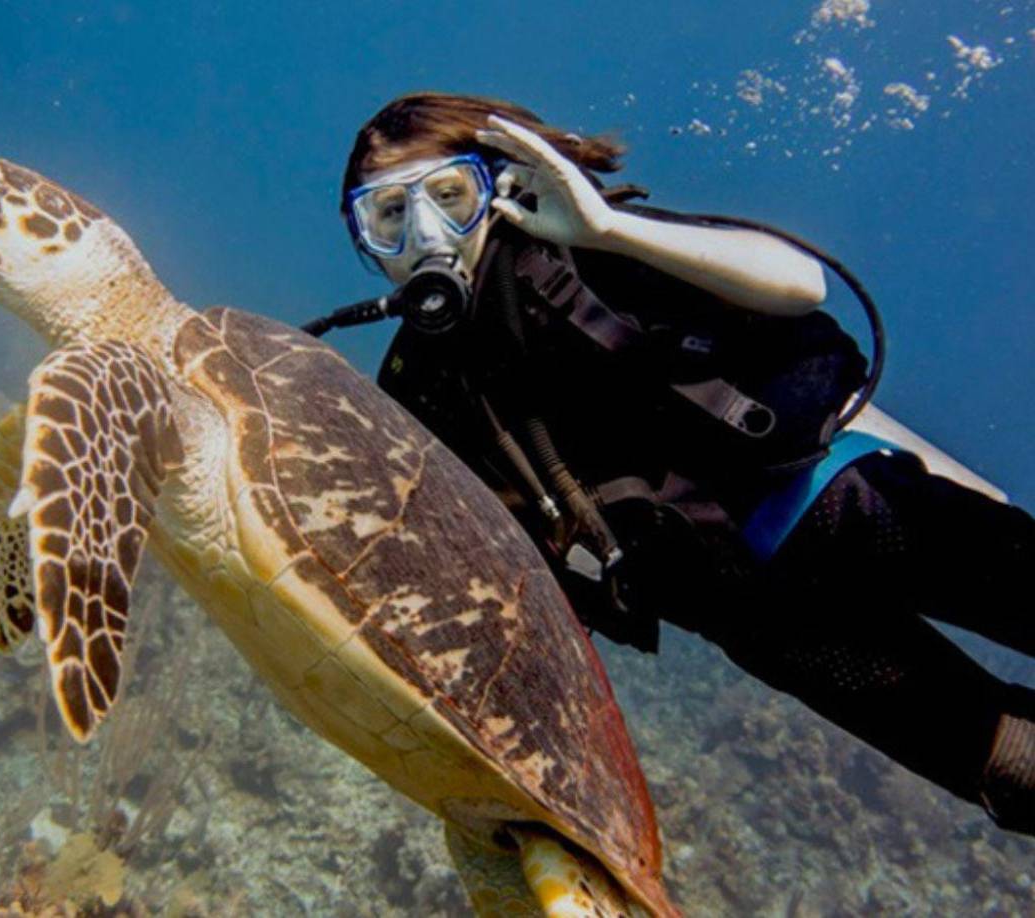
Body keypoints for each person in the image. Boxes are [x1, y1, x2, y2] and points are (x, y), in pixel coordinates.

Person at [327, 91, 1035, 834]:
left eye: (448, 197)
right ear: (364, 239)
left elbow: (801, 285)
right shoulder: (419, 388)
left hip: (843, 504)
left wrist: (609, 228)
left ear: (497, 187)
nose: (426, 234)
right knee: (1012, 765)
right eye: (389, 217)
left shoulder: (584, 246)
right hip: (761, 619)